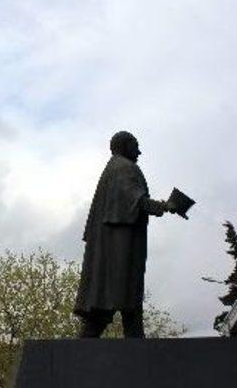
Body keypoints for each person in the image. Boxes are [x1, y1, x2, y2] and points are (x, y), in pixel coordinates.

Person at [74, 131, 175, 338]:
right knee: (124, 297)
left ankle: (134, 344)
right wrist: (166, 206)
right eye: (135, 146)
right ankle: (136, 345)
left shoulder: (113, 169)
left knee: (113, 305)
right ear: (125, 146)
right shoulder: (125, 168)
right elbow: (136, 201)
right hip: (121, 249)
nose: (139, 151)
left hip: (113, 247)